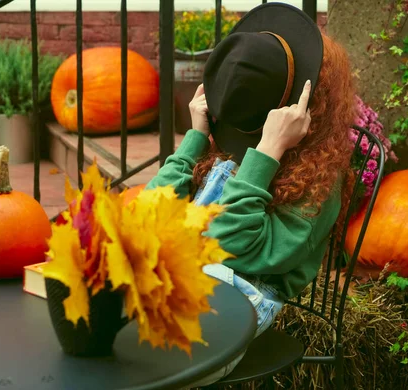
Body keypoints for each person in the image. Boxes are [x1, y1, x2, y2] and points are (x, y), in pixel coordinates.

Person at [145, 3, 356, 386]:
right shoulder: (229, 145)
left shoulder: (320, 180)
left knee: (136, 364)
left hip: (236, 304)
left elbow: (231, 242)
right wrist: (195, 138)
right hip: (183, 277)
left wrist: (268, 152)